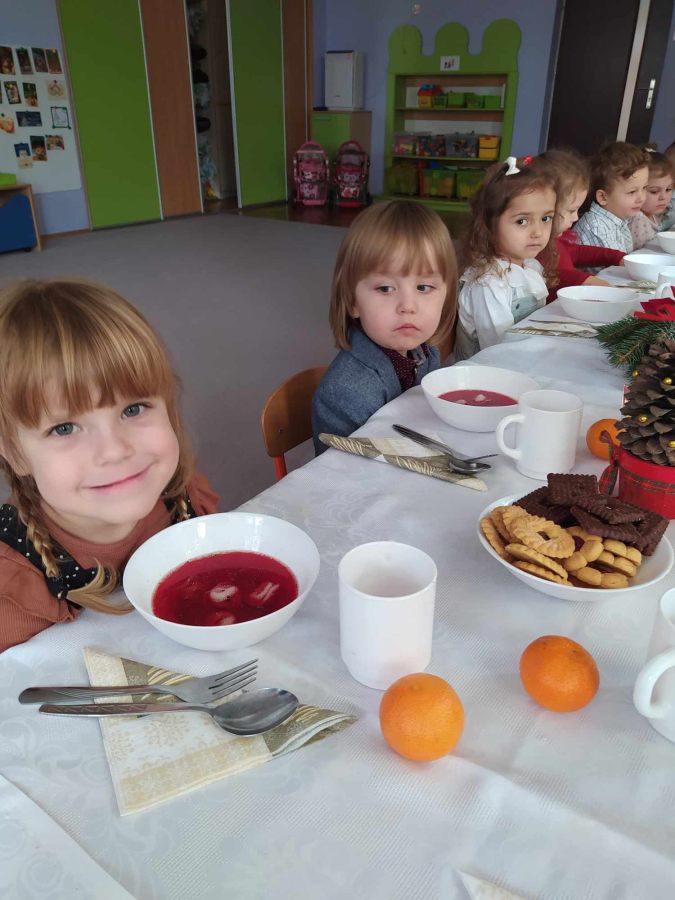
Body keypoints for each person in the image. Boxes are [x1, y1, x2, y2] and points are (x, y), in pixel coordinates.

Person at [0, 279, 218, 652]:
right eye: (64, 428)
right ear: (14, 453)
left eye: (133, 409)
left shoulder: (184, 498)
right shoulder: (12, 593)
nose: (115, 451)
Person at [312, 200, 457, 454]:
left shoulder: (426, 355)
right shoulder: (346, 392)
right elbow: (346, 472)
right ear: (353, 301)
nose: (407, 306)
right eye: (386, 288)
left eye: (424, 287)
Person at [454, 155, 557, 360]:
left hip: (522, 361)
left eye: (546, 218)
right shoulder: (488, 282)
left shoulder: (531, 266)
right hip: (486, 372)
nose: (538, 232)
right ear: (489, 225)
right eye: (522, 221)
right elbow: (499, 353)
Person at [530, 149, 626, 301]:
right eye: (571, 210)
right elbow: (549, 276)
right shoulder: (533, 245)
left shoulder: (555, 240)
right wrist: (585, 280)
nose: (575, 217)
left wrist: (616, 257)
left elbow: (576, 252)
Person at [574, 142, 650, 252]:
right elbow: (618, 262)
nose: (641, 198)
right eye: (632, 192)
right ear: (603, 197)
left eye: (644, 188)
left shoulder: (619, 219)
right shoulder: (598, 228)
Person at [629, 148, 673, 249]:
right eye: (654, 191)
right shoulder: (638, 219)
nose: (663, 197)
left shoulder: (653, 214)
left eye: (668, 189)